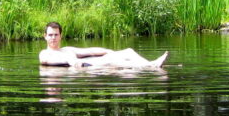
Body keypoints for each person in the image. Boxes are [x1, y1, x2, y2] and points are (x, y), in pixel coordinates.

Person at [38, 21, 167, 69]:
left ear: (60, 36)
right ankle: (152, 66)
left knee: (128, 51)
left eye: (56, 35)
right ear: (45, 36)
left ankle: (151, 64)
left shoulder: (67, 50)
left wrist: (107, 50)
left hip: (92, 62)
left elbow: (91, 51)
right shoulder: (45, 53)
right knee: (114, 62)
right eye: (50, 35)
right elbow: (46, 60)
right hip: (90, 67)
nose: (53, 38)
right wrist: (71, 61)